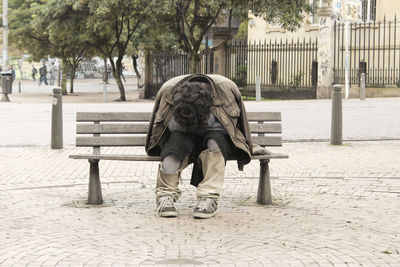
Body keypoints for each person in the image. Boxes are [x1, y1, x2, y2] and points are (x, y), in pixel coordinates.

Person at [145, 74, 267, 219]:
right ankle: (165, 195)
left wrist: (204, 122)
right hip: (181, 132)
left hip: (216, 134)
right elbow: (167, 127)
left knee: (215, 142)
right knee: (174, 146)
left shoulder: (226, 90)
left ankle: (209, 198)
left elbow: (231, 128)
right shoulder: (169, 90)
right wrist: (187, 122)